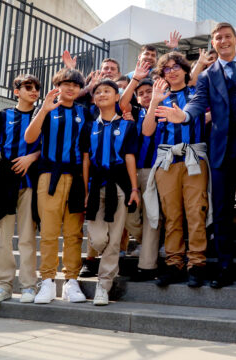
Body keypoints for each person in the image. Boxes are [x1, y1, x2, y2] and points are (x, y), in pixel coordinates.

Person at [155, 22, 236, 289]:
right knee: (220, 211)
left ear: (235, 38)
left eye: (227, 36)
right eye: (218, 38)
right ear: (214, 43)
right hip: (222, 149)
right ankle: (224, 268)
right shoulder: (207, 75)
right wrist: (183, 115)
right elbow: (197, 102)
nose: (223, 41)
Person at [24, 68, 92, 304]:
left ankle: (71, 281)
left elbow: (85, 154)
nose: (71, 87)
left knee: (74, 233)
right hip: (48, 175)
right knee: (50, 231)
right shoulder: (47, 109)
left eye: (75, 84)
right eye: (66, 83)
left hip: (75, 177)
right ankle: (48, 281)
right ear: (58, 85)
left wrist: (85, 188)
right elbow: (29, 138)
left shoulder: (85, 114)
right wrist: (43, 109)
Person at [146, 52, 210, 287]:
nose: (171, 71)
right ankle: (174, 263)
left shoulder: (196, 94)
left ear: (185, 69)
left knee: (196, 212)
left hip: (194, 158)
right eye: (166, 69)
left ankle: (196, 263)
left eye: (176, 67)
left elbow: (201, 114)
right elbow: (146, 131)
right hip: (166, 161)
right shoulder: (159, 97)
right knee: (172, 215)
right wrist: (154, 101)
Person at [0, 74, 41, 304]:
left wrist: (31, 158)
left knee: (26, 236)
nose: (34, 91)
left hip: (29, 181)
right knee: (3, 237)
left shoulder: (41, 114)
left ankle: (29, 286)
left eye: (36, 88)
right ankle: (3, 285)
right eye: (28, 87)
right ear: (17, 91)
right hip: (4, 179)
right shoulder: (3, 115)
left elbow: (47, 147)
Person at [80, 79, 140, 305]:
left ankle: (103, 286)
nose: (102, 94)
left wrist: (134, 188)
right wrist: (85, 190)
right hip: (95, 186)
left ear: (117, 97)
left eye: (108, 91)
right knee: (97, 239)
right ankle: (110, 262)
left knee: (115, 239)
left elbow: (130, 157)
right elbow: (86, 159)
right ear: (94, 99)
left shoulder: (127, 126)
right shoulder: (89, 126)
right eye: (98, 92)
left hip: (120, 186)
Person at [120, 77, 162, 281]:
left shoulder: (165, 111)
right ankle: (153, 244)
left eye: (149, 91)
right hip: (134, 171)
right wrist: (135, 78)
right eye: (142, 93)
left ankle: (147, 266)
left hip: (157, 170)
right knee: (129, 216)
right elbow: (121, 103)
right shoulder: (133, 114)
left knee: (151, 217)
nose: (146, 95)